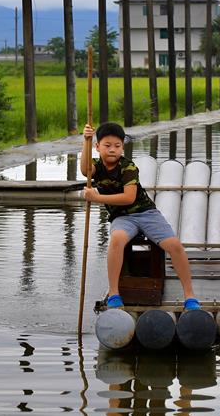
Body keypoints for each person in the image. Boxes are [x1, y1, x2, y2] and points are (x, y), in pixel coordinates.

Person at [81, 121, 200, 311]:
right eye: (107, 145)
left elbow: (129, 198)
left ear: (123, 147)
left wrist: (97, 197)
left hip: (145, 212)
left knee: (174, 245)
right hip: (121, 217)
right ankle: (114, 293)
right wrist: (86, 140)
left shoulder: (128, 166)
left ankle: (190, 295)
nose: (113, 150)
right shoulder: (96, 166)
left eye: (117, 146)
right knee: (116, 240)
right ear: (98, 147)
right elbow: (85, 169)